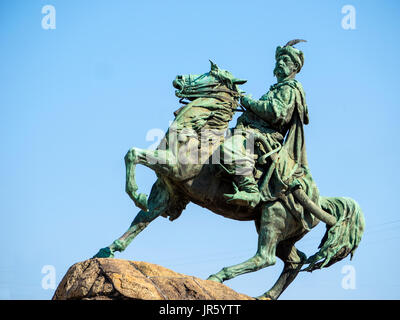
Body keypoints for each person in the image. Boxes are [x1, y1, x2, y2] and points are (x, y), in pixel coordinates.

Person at [222, 39, 313, 212]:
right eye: (278, 60)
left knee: (230, 148)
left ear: (294, 67)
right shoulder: (276, 88)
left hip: (267, 137)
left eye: (285, 60)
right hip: (252, 130)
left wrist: (249, 101)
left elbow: (276, 113)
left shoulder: (290, 88)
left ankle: (250, 190)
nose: (280, 62)